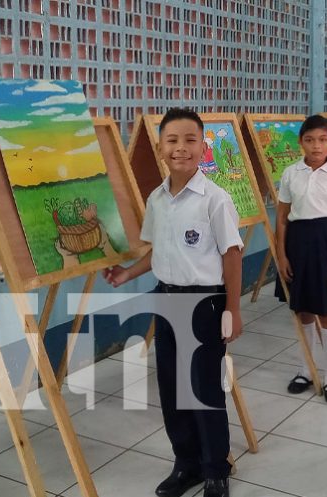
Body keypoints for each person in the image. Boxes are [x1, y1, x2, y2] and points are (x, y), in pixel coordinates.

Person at [103, 108, 242, 497]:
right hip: (165, 299)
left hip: (204, 305)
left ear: (203, 145)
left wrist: (233, 308)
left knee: (203, 391)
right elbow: (157, 252)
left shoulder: (215, 199)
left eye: (190, 140)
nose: (181, 148)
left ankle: (216, 470)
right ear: (161, 147)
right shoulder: (157, 199)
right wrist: (127, 274)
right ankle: (187, 464)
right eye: (172, 140)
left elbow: (232, 255)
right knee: (171, 387)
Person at [275, 115, 327, 403]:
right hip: (297, 244)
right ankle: (306, 370)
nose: (316, 146)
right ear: (301, 143)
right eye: (309, 140)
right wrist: (281, 254)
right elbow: (282, 219)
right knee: (303, 311)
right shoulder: (290, 173)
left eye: (322, 140)